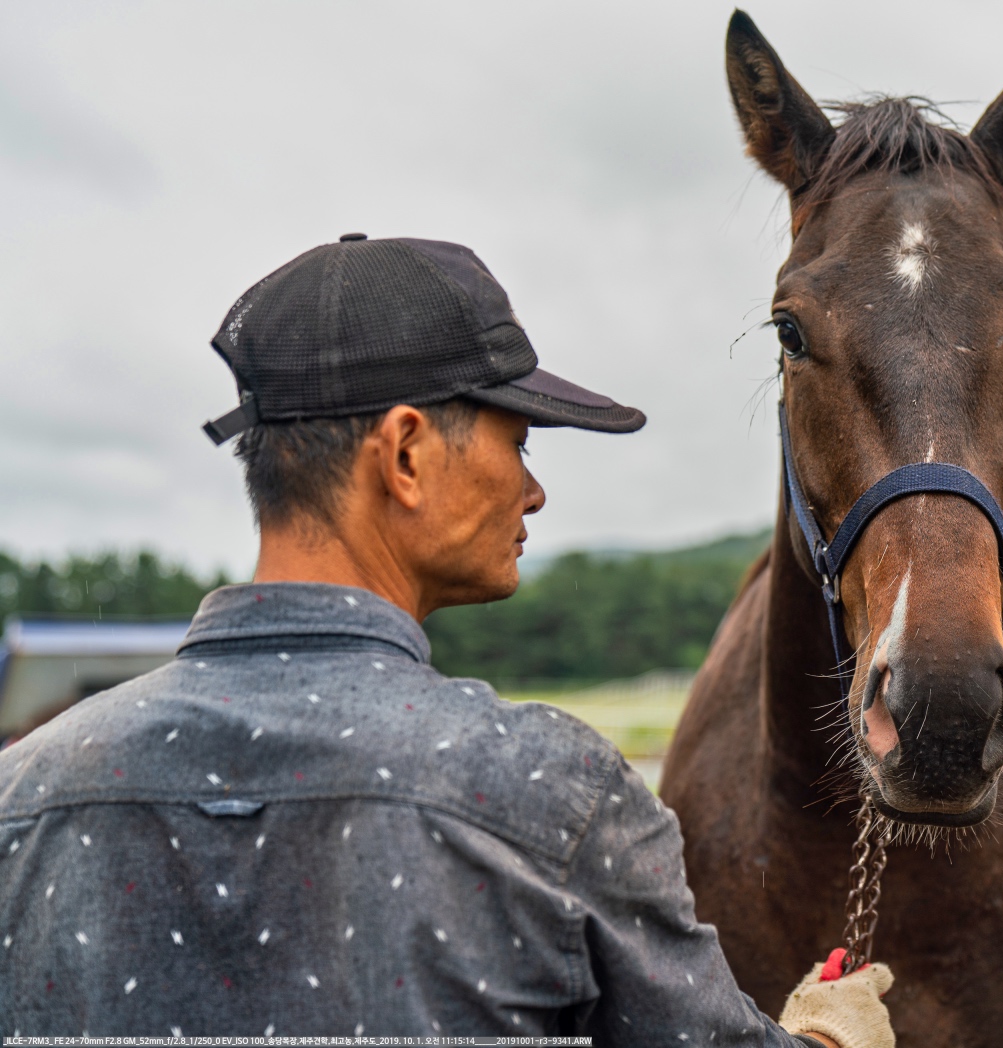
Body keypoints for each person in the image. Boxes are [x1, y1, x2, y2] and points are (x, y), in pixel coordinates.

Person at [0, 234, 893, 1046]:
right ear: (406, 455)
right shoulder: (547, 793)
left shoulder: (22, 795)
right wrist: (829, 1034)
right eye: (521, 442)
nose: (534, 492)